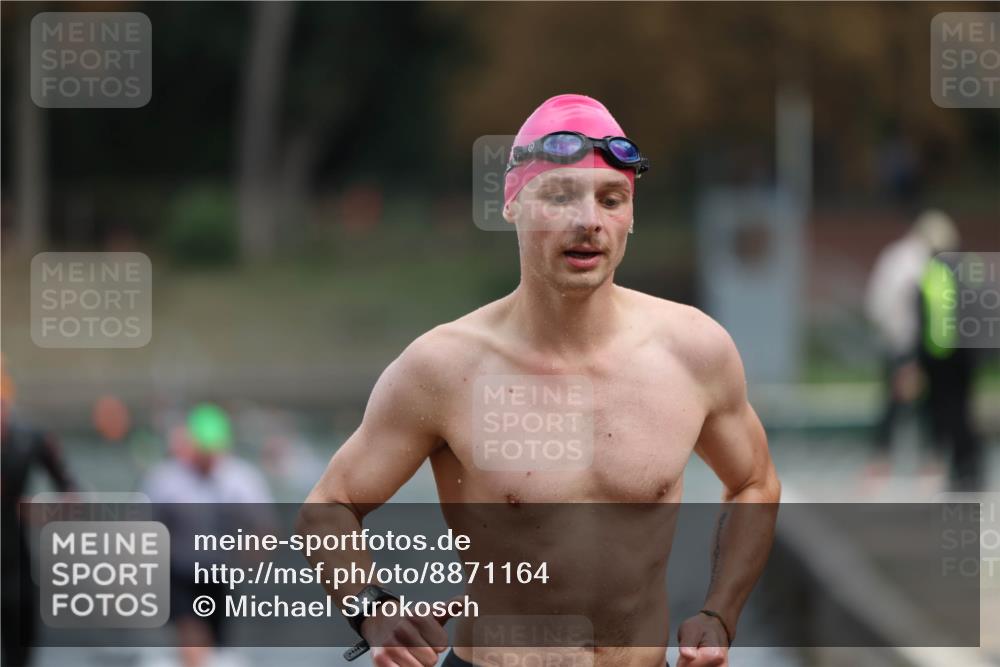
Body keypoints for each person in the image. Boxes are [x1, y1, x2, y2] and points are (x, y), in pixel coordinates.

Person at [300, 94, 781, 667]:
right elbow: (329, 506)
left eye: (611, 199)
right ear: (512, 204)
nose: (589, 222)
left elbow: (753, 481)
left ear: (630, 213)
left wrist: (720, 614)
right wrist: (373, 608)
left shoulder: (694, 351)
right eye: (559, 197)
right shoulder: (446, 367)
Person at [142, 403, 273, 667]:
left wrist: (252, 554)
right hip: (178, 572)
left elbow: (262, 527)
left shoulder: (241, 480)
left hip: (219, 573)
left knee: (216, 646)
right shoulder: (166, 479)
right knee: (192, 635)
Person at [863, 210, 963, 487]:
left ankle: (881, 463)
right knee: (923, 405)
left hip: (900, 344)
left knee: (895, 405)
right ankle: (927, 464)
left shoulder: (893, 256)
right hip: (916, 346)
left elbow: (875, 304)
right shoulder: (925, 261)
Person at [1, 357, 77, 667]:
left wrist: (37, 511)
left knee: (21, 636)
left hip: (14, 557)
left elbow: (72, 493)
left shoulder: (30, 439)